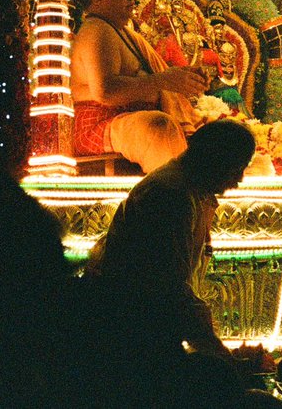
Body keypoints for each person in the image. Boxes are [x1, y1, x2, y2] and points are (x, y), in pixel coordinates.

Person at [83, 121, 257, 403]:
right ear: (216, 160)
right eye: (237, 168)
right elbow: (170, 290)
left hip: (140, 329)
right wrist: (220, 356)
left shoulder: (187, 190)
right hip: (128, 334)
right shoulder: (170, 195)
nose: (239, 180)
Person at [70, 0, 209, 173]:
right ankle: (172, 198)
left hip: (128, 120)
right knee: (159, 128)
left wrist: (184, 78)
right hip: (99, 123)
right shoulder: (96, 30)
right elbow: (105, 91)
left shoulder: (125, 33)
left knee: (215, 135)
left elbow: (154, 78)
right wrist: (163, 81)